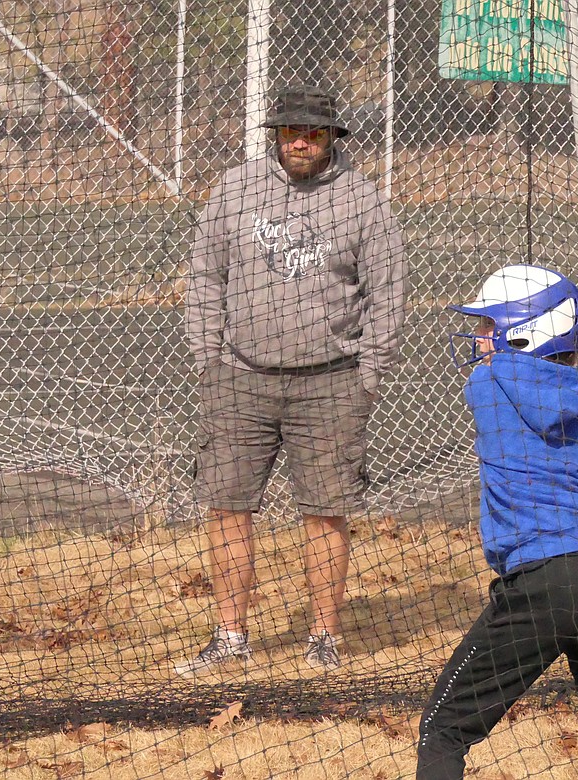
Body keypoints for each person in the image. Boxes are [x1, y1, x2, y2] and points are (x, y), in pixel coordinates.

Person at [416, 264, 578, 778]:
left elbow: (536, 384)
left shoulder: (492, 378)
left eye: (489, 327)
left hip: (546, 579)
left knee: (443, 730)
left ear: (526, 332)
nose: (479, 339)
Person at [177, 85, 408, 677]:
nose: (300, 142)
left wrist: (368, 378)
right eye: (289, 132)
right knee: (227, 506)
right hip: (239, 379)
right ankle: (230, 636)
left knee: (326, 512)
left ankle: (324, 639)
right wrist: (209, 359)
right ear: (274, 134)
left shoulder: (362, 200)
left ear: (333, 137)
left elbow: (388, 294)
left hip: (331, 385)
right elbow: (205, 275)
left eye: (313, 133)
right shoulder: (234, 190)